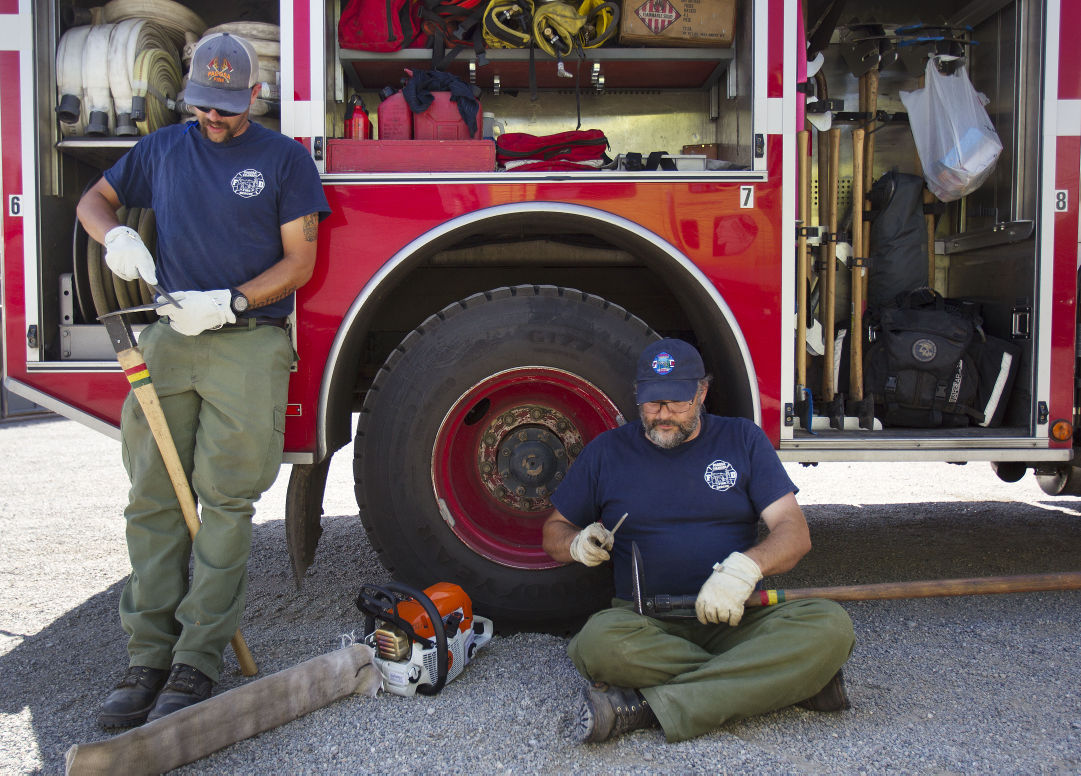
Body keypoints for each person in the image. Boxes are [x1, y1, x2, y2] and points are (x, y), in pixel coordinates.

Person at [76, 33, 330, 729]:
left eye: (224, 107)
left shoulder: (281, 160)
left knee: (223, 504)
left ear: (253, 95)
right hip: (167, 339)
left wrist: (232, 301)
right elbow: (91, 201)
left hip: (245, 344)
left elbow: (299, 260)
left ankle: (197, 659)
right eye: (202, 106)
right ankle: (146, 657)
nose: (212, 119)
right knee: (153, 500)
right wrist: (116, 237)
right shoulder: (161, 150)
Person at [542, 338, 855, 743]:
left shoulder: (742, 439)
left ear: (702, 392)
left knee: (830, 627)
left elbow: (794, 532)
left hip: (738, 615)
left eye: (677, 402)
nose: (663, 415)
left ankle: (649, 707)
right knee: (598, 645)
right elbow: (553, 530)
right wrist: (576, 543)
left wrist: (747, 568)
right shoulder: (607, 452)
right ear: (638, 395)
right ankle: (783, 681)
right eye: (653, 404)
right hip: (644, 620)